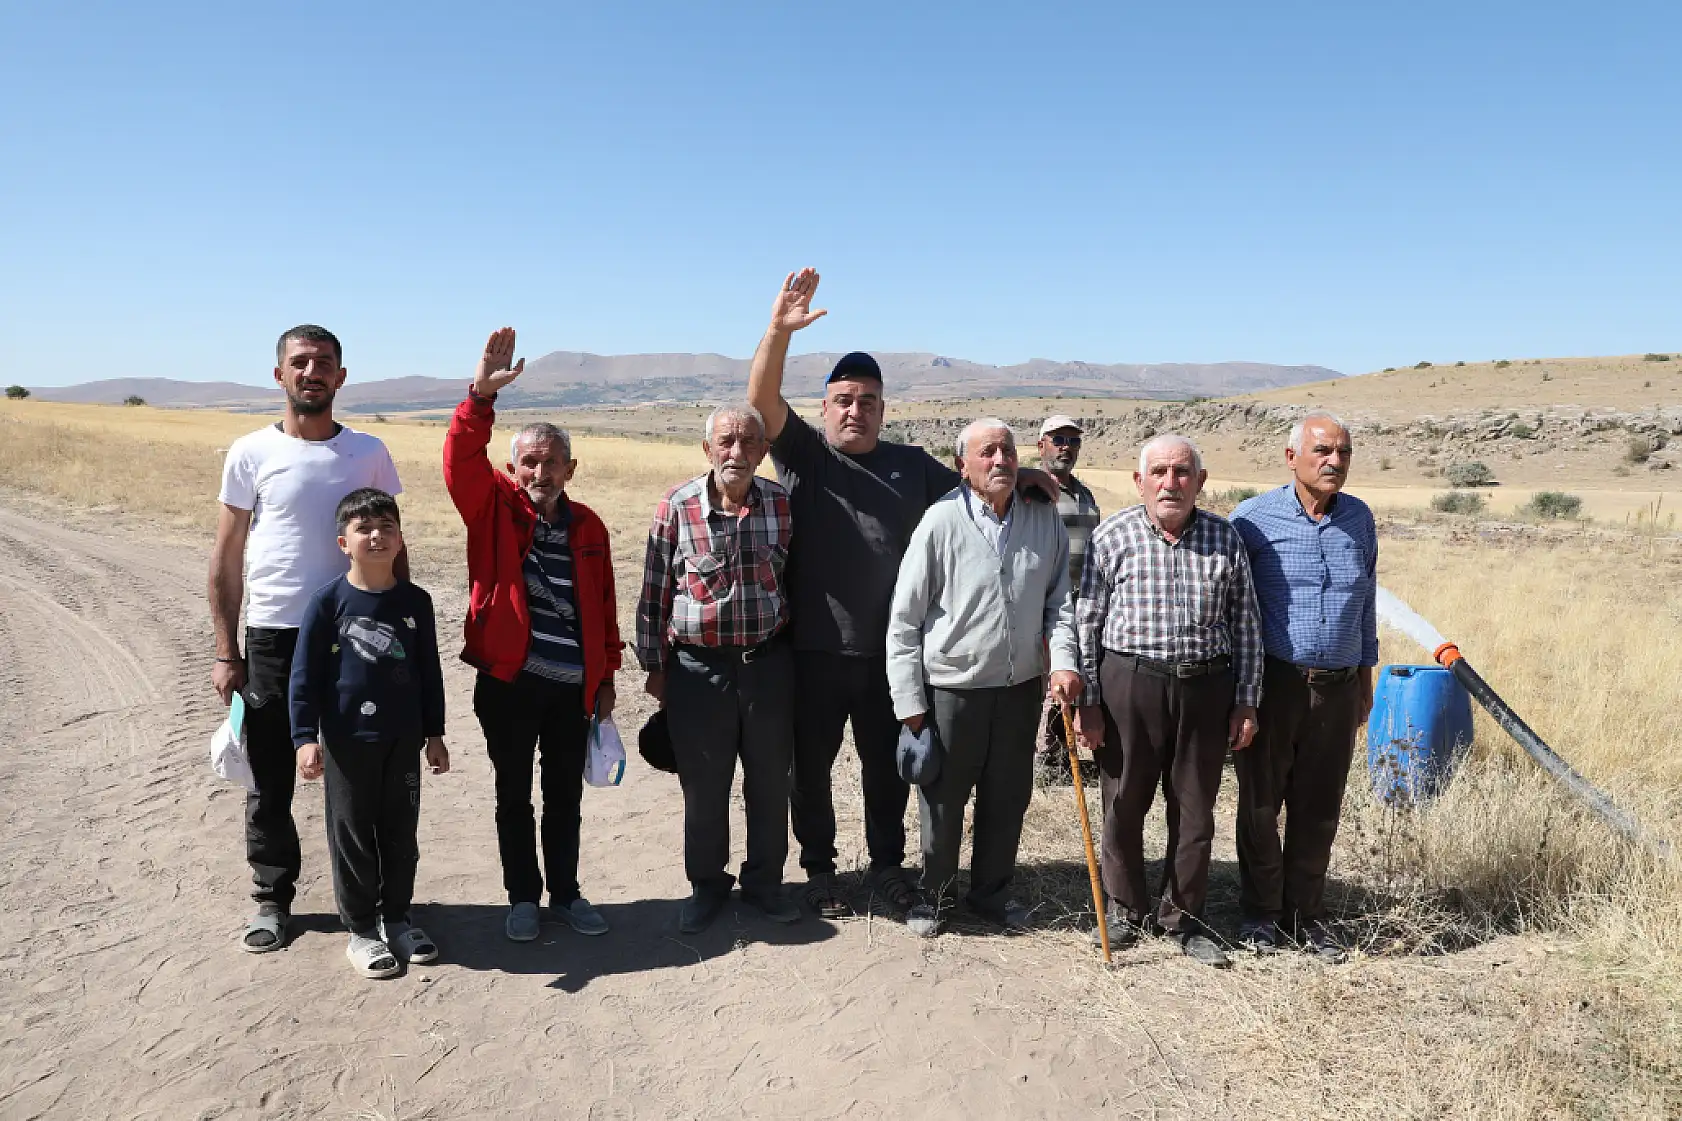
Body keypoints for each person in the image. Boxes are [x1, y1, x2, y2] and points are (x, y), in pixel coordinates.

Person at [745, 267, 1058, 920]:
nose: (854, 410)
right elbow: (761, 398)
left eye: (867, 401)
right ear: (825, 407)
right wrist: (777, 332)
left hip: (895, 656)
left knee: (889, 769)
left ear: (883, 409)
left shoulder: (912, 465)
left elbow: (982, 483)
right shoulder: (805, 454)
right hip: (814, 650)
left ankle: (887, 867)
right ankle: (823, 868)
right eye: (842, 400)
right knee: (812, 771)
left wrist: (1021, 471)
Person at [209, 324, 403, 954]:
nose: (312, 372)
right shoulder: (249, 452)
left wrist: (400, 629)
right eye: (300, 363)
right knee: (271, 777)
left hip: (356, 637)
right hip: (272, 636)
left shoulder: (369, 452)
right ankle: (272, 897)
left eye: (324, 363)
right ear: (280, 376)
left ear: (340, 378)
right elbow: (226, 556)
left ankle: (371, 904)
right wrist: (225, 649)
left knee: (361, 774)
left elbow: (394, 548)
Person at [441, 328, 625, 943]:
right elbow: (460, 461)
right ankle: (523, 896)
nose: (540, 471)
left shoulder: (590, 526)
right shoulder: (494, 507)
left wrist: (605, 681)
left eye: (551, 462)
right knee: (513, 795)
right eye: (528, 462)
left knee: (564, 799)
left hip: (571, 689)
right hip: (510, 684)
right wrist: (479, 400)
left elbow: (602, 607)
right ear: (513, 467)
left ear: (570, 467)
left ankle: (567, 893)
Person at [886, 419, 1084, 937]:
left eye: (1008, 451)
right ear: (963, 466)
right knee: (945, 799)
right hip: (953, 689)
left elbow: (1060, 603)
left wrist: (1063, 662)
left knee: (1007, 795)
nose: (1000, 460)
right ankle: (935, 898)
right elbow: (904, 620)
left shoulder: (1044, 519)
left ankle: (992, 894)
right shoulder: (940, 521)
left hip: (1020, 689)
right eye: (987, 452)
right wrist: (908, 699)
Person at [1073, 434, 1264, 968]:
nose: (1170, 482)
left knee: (1196, 809)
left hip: (1206, 689)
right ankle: (1125, 909)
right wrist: (1088, 700)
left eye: (1182, 472)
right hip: (1128, 684)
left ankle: (1186, 918)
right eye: (1158, 471)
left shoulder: (1226, 540)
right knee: (1124, 800)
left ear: (1201, 481)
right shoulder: (1112, 537)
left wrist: (1246, 701)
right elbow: (1087, 621)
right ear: (1139, 482)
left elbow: (1246, 626)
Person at [634, 404, 799, 934]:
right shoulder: (676, 507)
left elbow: (797, 582)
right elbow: (653, 593)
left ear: (763, 451)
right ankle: (707, 884)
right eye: (726, 442)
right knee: (705, 785)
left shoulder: (781, 504)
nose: (737, 452)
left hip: (768, 665)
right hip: (697, 671)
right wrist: (656, 668)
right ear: (708, 450)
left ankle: (765, 883)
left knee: (771, 782)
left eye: (749, 442)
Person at [1229, 411, 1376, 964]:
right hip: (1275, 683)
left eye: (1343, 452)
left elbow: (1366, 603)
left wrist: (1366, 680)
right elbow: (1235, 611)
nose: (1334, 461)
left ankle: (1305, 916)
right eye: (1322, 451)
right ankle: (1261, 915)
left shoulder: (1360, 521)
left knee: (1319, 807)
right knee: (1262, 804)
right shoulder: (1252, 521)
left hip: (1338, 688)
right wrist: (1240, 693)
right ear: (1292, 458)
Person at [290, 489, 449, 978]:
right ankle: (361, 931)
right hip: (346, 741)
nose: (376, 535)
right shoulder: (328, 603)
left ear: (401, 540)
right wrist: (304, 738)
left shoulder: (415, 602)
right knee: (353, 835)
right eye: (364, 528)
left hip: (402, 741)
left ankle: (397, 918)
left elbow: (429, 671)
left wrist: (434, 733)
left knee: (401, 833)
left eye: (386, 525)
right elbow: (304, 676)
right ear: (344, 541)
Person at [1034, 415, 1102, 778]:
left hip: (1081, 602)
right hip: (1042, 602)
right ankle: (1043, 759)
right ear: (1041, 444)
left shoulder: (1085, 494)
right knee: (1045, 682)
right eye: (1058, 439)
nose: (1066, 447)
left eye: (1073, 442)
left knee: (1071, 679)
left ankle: (1061, 758)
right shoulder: (1028, 491)